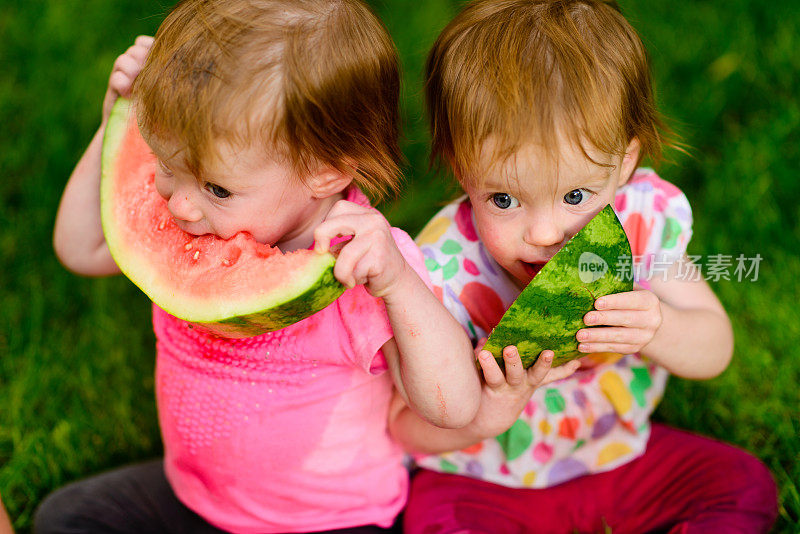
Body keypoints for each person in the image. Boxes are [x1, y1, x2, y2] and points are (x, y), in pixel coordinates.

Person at [39, 1, 486, 532]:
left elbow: (452, 407)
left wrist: (399, 285)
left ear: (325, 171)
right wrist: (116, 119)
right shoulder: (195, 208)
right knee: (67, 517)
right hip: (193, 496)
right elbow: (80, 249)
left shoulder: (365, 264)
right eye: (165, 165)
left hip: (327, 521)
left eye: (217, 188)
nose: (179, 206)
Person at [390, 1, 779, 532]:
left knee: (742, 483)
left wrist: (657, 327)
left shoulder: (641, 222)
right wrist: (494, 406)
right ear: (464, 170)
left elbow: (716, 347)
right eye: (504, 199)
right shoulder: (437, 267)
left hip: (617, 457)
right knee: (439, 520)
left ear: (623, 163)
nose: (546, 235)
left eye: (575, 194)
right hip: (482, 479)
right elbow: (404, 429)